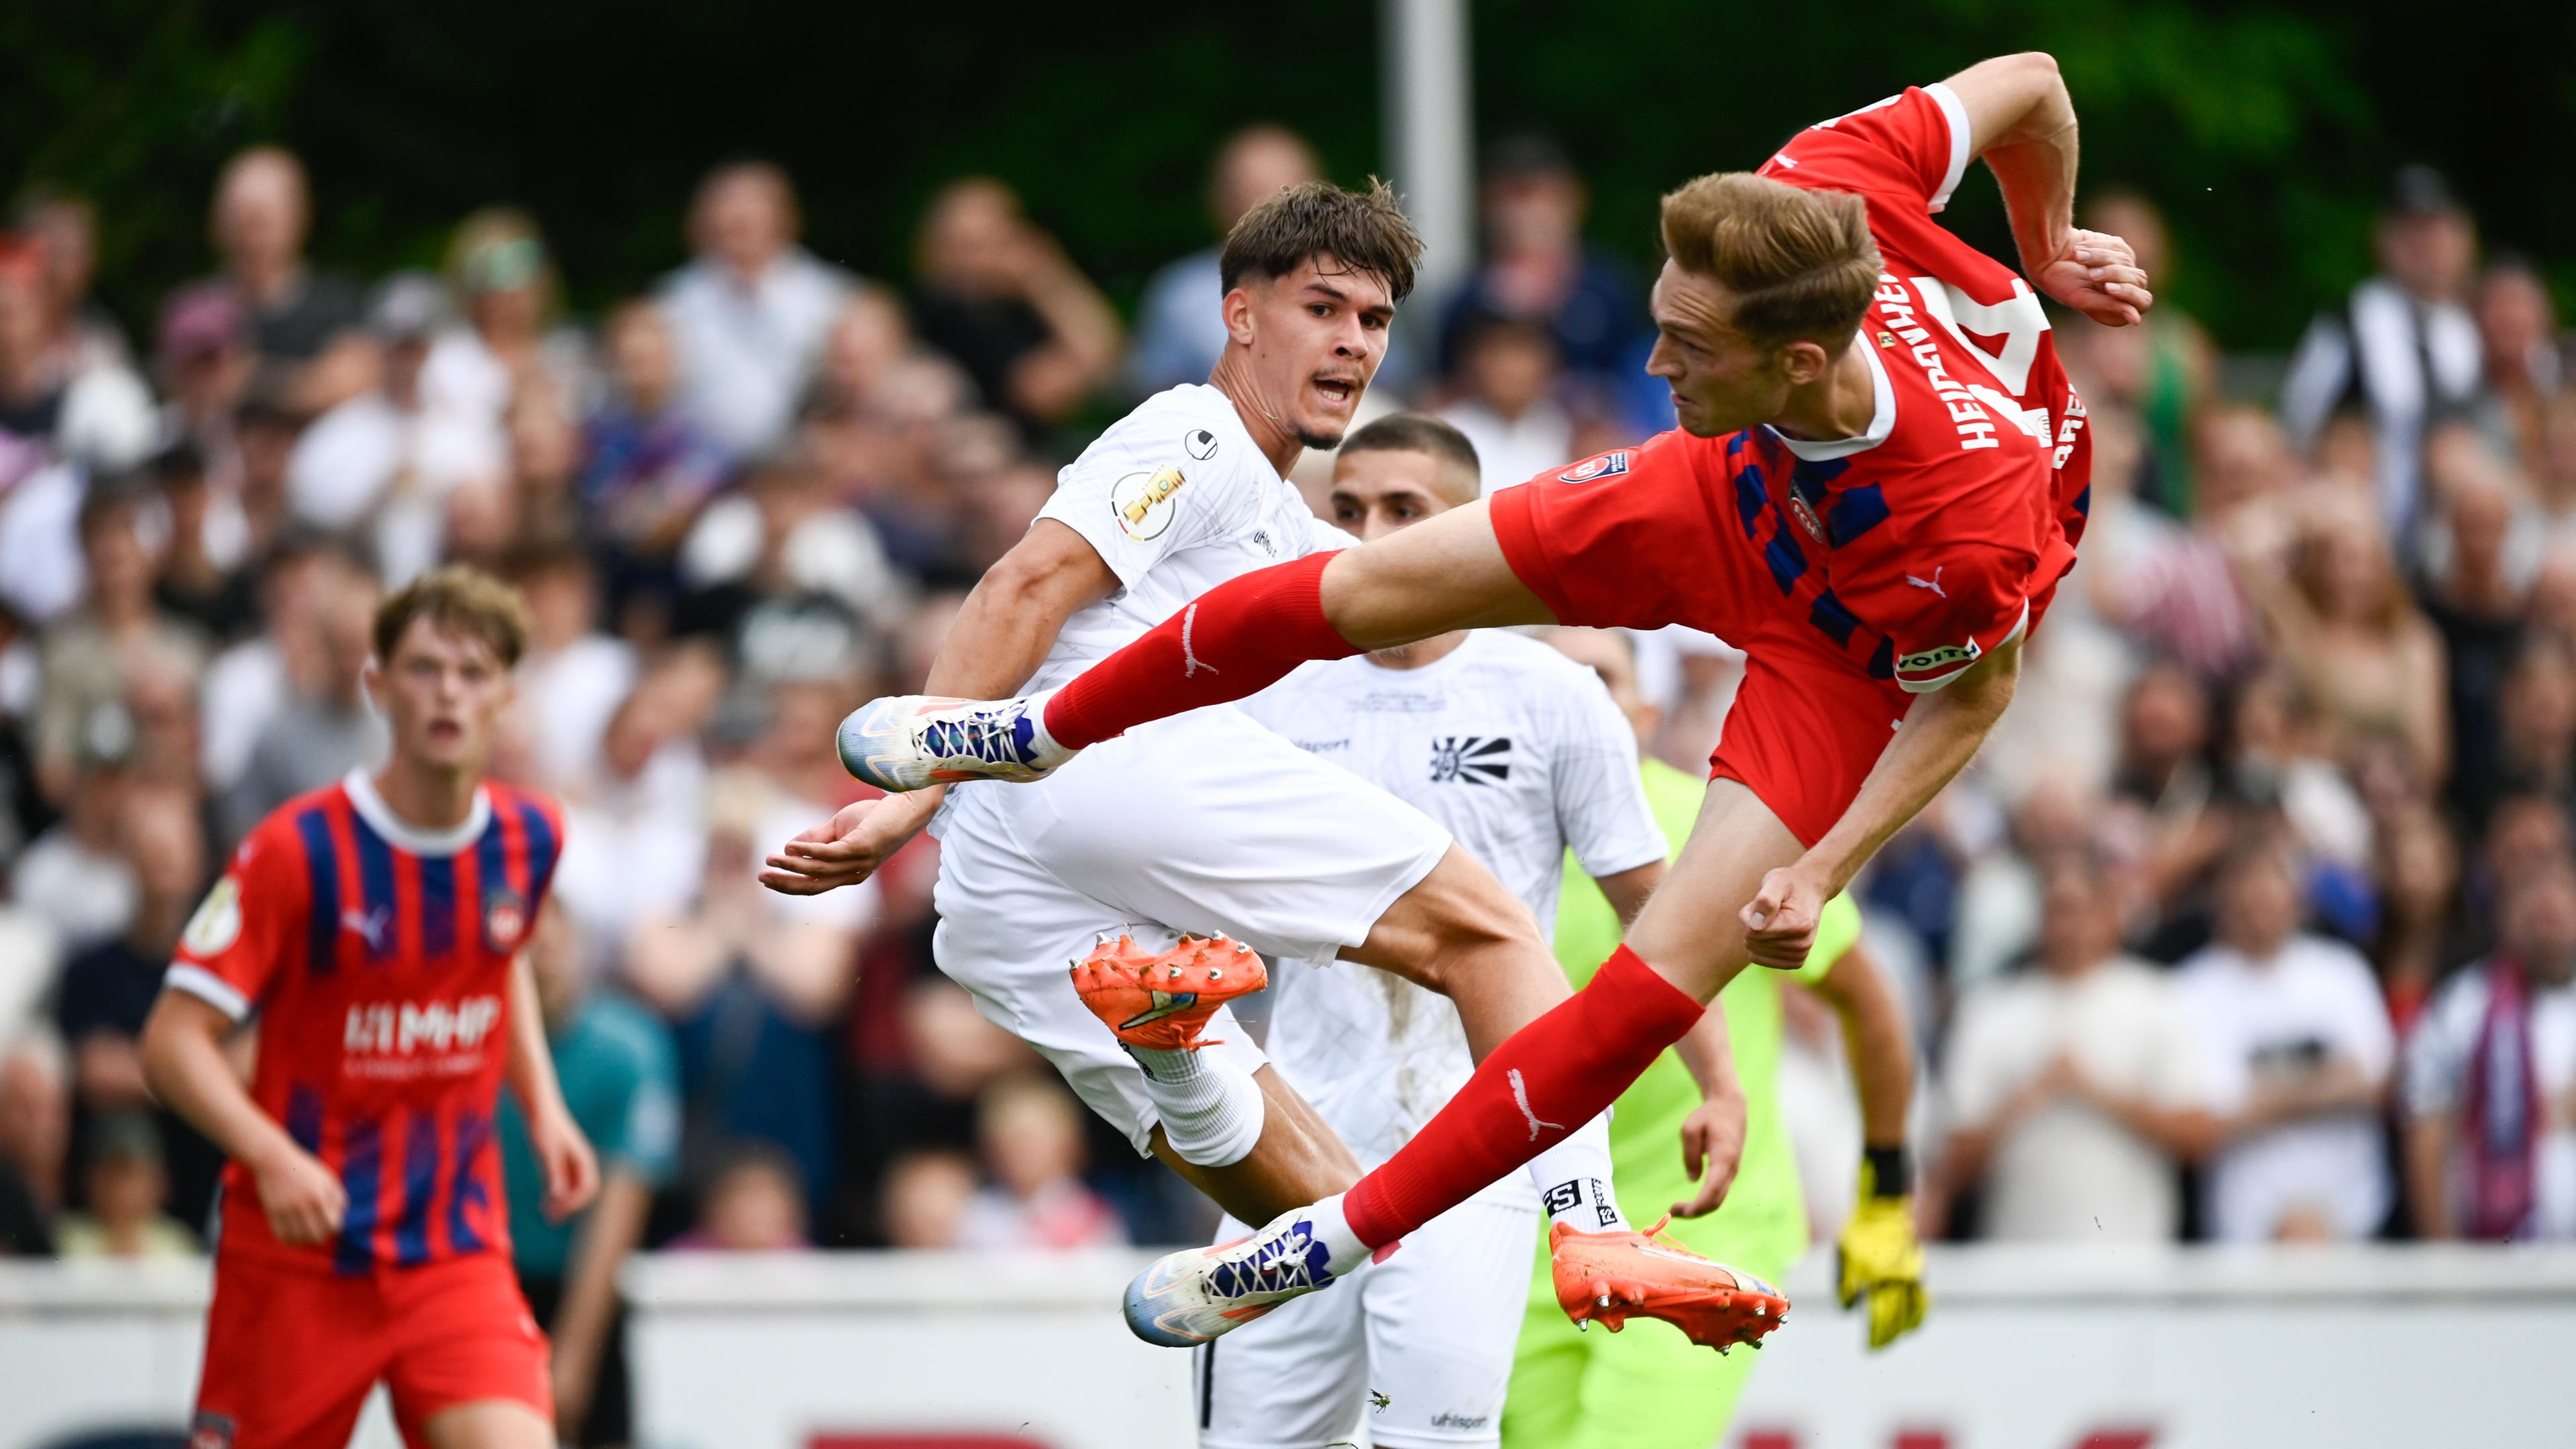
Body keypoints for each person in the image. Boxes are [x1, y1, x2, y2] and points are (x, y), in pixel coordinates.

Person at [839, 52, 2145, 1342]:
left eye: (1687, 344)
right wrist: (2052, 236)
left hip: (1841, 642)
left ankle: (1336, 1246)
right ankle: (1023, 737)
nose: (1648, 358)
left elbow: (1974, 703)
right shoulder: (1817, 184)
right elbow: (2032, 78)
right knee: (1354, 595)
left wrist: (1826, 871)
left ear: (1797, 362)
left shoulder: (1969, 537)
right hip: (1720, 500)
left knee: (1644, 983)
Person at [765, 181, 1713, 1342]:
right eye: (1326, 308)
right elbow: (1026, 584)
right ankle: (1592, 1223)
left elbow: (1455, 586)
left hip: (1003, 896)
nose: (1354, 343)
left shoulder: (1286, 529)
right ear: (1240, 314)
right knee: (1490, 935)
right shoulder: (1195, 437)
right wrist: (899, 804)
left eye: (1374, 322)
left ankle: (1173, 1053)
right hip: (1097, 770)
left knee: (1342, 1217)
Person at [1199, 416, 1686, 1449]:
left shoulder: (1555, 694)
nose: (1369, 534)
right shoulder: (1274, 698)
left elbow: (1659, 915)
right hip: (1295, 1139)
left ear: (1463, 526)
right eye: (1347, 510)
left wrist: (1721, 1086)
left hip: (1477, 1152)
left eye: (1402, 511)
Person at [140, 566, 599, 1449]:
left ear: (506, 696)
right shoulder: (295, 849)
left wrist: (543, 1108)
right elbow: (171, 1047)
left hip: (452, 1251)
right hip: (298, 1259)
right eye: (425, 668)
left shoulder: (531, 834)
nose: (449, 693)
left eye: (473, 673)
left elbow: (492, 961)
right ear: (378, 686)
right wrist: (273, 1156)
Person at [1505, 627, 1921, 1449]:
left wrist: (1885, 1192)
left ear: (1649, 708)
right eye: (1551, 681)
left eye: (1599, 679)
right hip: (1525, 1253)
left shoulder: (1718, 831)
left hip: (1699, 1238)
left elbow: (1869, 1006)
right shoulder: (1475, 844)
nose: (1576, 703)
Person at [1929, 847, 2216, 1242]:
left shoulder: (2157, 1001)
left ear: (2108, 914)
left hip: (2135, 1265)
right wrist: (2031, 1095)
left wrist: (2094, 1090)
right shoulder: (1991, 1012)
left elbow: (2198, 1136)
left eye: (2079, 909)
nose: (2068, 925)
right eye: (2056, 909)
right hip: (2014, 1266)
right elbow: (1950, 1164)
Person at [498, 902, 678, 1448]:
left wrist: (573, 1357)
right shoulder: (471, 1037)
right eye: (527, 955)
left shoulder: (630, 1048)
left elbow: (618, 1215)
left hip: (584, 1293)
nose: (542, 965)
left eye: (550, 950)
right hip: (488, 1287)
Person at [2176, 837, 2396, 1242]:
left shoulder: (2341, 972)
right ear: (2221, 901)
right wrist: (2328, 1083)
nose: (2259, 910)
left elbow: (2379, 1084)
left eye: (2270, 895)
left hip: (2353, 1226)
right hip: (2242, 1235)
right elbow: (2204, 1119)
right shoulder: (2191, 989)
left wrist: (2260, 1099)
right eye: (2246, 896)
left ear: (2296, 901)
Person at [2279, 167, 2483, 539]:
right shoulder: (2347, 323)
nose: (2425, 246)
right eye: (2411, 232)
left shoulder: (2464, 330)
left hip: (2444, 541)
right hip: (2361, 530)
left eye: (2434, 230)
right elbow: (2299, 426)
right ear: (2385, 240)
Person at [2402, 849, 2576, 1240]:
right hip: (2490, 1257)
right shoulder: (2460, 1004)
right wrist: (2442, 1257)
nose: (2547, 913)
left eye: (2562, 900)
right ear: (2505, 915)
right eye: (2532, 900)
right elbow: (2426, 1127)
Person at [657, 162, 855, 457]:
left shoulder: (833, 299)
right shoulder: (670, 304)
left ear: (784, 219)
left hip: (807, 472)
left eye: (751, 216)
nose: (739, 224)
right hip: (700, 473)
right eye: (728, 215)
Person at [908, 178, 1123, 441]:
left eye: (997, 241)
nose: (982, 259)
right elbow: (1049, 393)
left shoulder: (1013, 305)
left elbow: (1107, 356)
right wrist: (1046, 278)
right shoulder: (939, 317)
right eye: (967, 246)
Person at [1128, 126, 1325, 396]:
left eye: (1284, 190)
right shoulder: (1181, 295)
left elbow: (1395, 385)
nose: (1269, 204)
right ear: (1217, 199)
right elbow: (1155, 401)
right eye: (1251, 189)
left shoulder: (1362, 283)